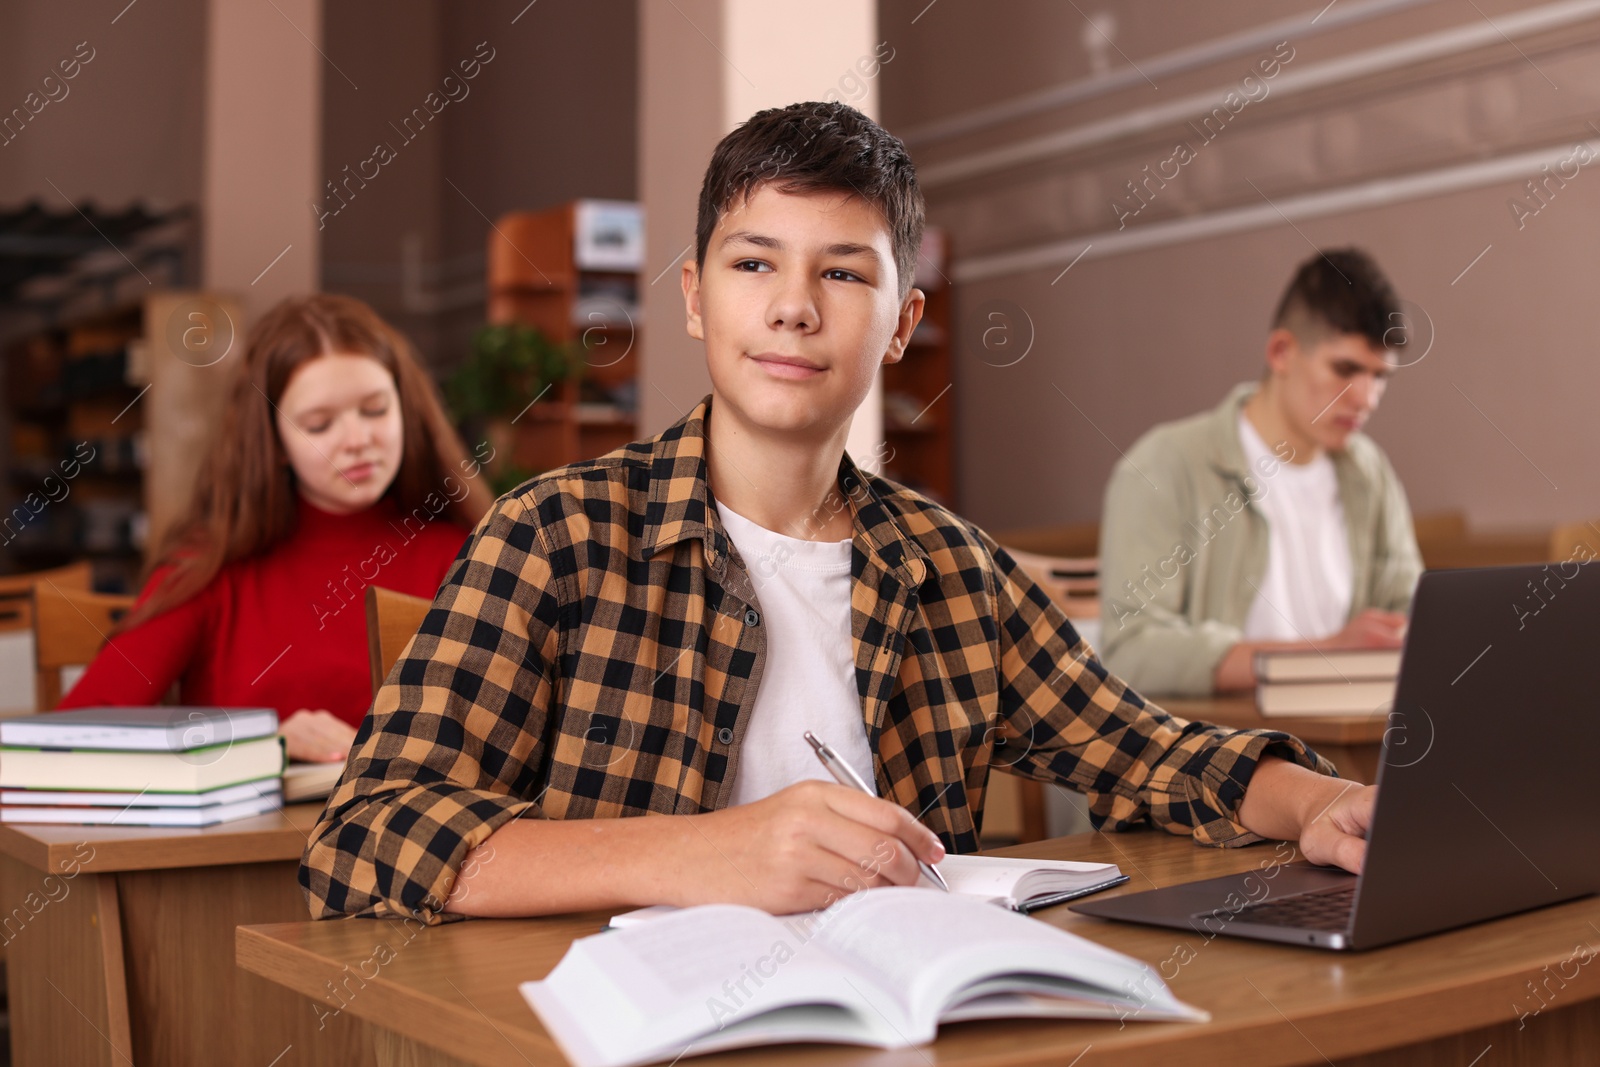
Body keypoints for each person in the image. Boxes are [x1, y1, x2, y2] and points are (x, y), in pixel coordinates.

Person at [302, 103, 1371, 927]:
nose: (793, 305)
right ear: (692, 295)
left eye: (842, 272)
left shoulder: (951, 566)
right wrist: (701, 851)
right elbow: (365, 832)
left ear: (902, 321)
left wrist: (1313, 800)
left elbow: (1149, 751)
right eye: (753, 261)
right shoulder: (554, 536)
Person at [58, 294, 495, 762]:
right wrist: (265, 745)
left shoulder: (465, 556)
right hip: (243, 836)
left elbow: (513, 744)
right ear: (276, 443)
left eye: (375, 410)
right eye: (320, 423)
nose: (357, 440)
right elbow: (78, 732)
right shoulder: (210, 566)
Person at [1098, 249, 1424, 698]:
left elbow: (1410, 614)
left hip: (1351, 743)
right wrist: (1325, 654)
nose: (1366, 398)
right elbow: (1130, 654)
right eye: (1345, 369)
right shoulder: (1165, 464)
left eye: (1380, 376)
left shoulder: (1370, 473)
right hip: (1225, 752)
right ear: (1281, 352)